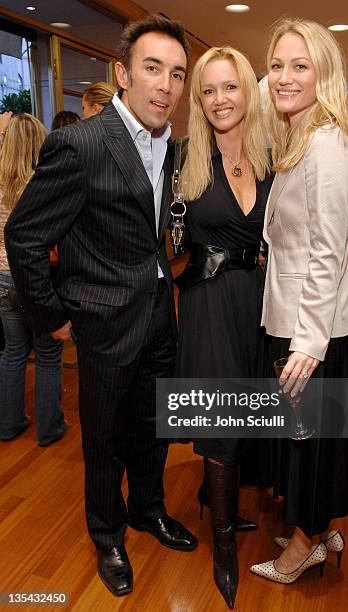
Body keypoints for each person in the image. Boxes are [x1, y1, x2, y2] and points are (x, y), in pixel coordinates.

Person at [5, 15, 196, 598]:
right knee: (104, 439)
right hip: (104, 325)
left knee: (154, 429)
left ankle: (147, 509)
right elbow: (25, 236)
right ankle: (107, 534)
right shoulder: (81, 143)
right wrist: (54, 316)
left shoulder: (176, 149)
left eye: (177, 74)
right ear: (123, 73)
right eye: (152, 69)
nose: (165, 85)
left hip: (160, 318)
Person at [250, 17, 348, 584]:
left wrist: (308, 344)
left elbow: (326, 252)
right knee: (308, 443)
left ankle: (305, 544)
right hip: (297, 323)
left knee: (309, 446)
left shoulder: (326, 143)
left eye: (300, 65)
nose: (284, 77)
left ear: (325, 74)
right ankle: (319, 528)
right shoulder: (301, 137)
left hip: (310, 334)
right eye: (275, 65)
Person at [176, 46, 272, 608]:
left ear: (247, 91)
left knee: (250, 406)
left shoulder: (269, 156)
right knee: (220, 411)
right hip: (208, 300)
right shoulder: (185, 158)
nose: (219, 100)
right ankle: (223, 550)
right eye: (208, 90)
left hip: (258, 301)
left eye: (229, 87)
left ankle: (224, 506)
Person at [0, 114, 66, 445]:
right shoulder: (42, 184)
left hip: (2, 279)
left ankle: (8, 424)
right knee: (48, 354)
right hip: (37, 278)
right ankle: (50, 429)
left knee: (13, 353)